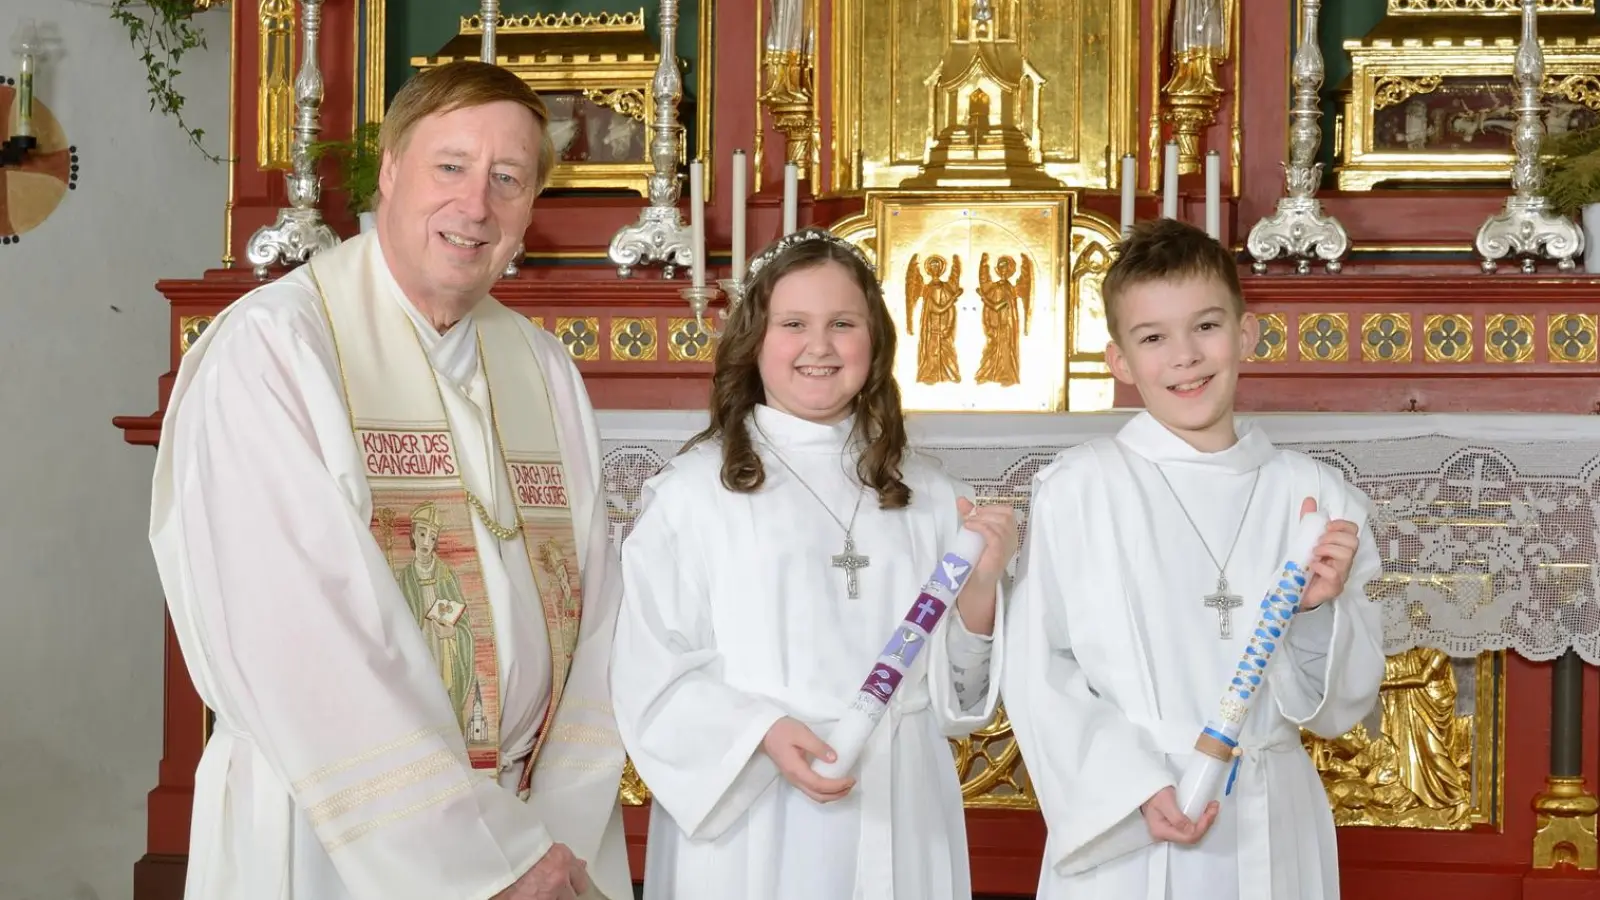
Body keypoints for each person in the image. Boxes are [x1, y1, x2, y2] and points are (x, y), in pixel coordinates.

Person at [148, 61, 629, 900]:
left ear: (528, 213)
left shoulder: (542, 368)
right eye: (451, 166)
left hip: (533, 830)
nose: (475, 204)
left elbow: (602, 617)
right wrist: (480, 859)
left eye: (507, 179)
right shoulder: (277, 350)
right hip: (338, 828)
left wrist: (550, 832)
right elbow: (300, 635)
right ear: (393, 170)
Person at [609, 228, 1019, 900]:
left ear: (876, 341)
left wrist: (979, 591)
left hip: (897, 796)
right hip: (754, 802)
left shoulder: (930, 495)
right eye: (793, 324)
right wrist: (761, 732)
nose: (819, 346)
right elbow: (651, 666)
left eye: (843, 324)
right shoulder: (693, 493)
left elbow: (960, 700)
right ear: (754, 341)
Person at [1003, 218, 1383, 900]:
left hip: (1271, 817)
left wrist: (1322, 613)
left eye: (1205, 327)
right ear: (1119, 361)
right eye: (1152, 337)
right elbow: (1039, 667)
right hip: (1132, 812)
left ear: (1247, 334)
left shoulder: (1318, 497)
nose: (1184, 356)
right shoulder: (1079, 488)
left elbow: (1339, 710)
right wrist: (1132, 786)